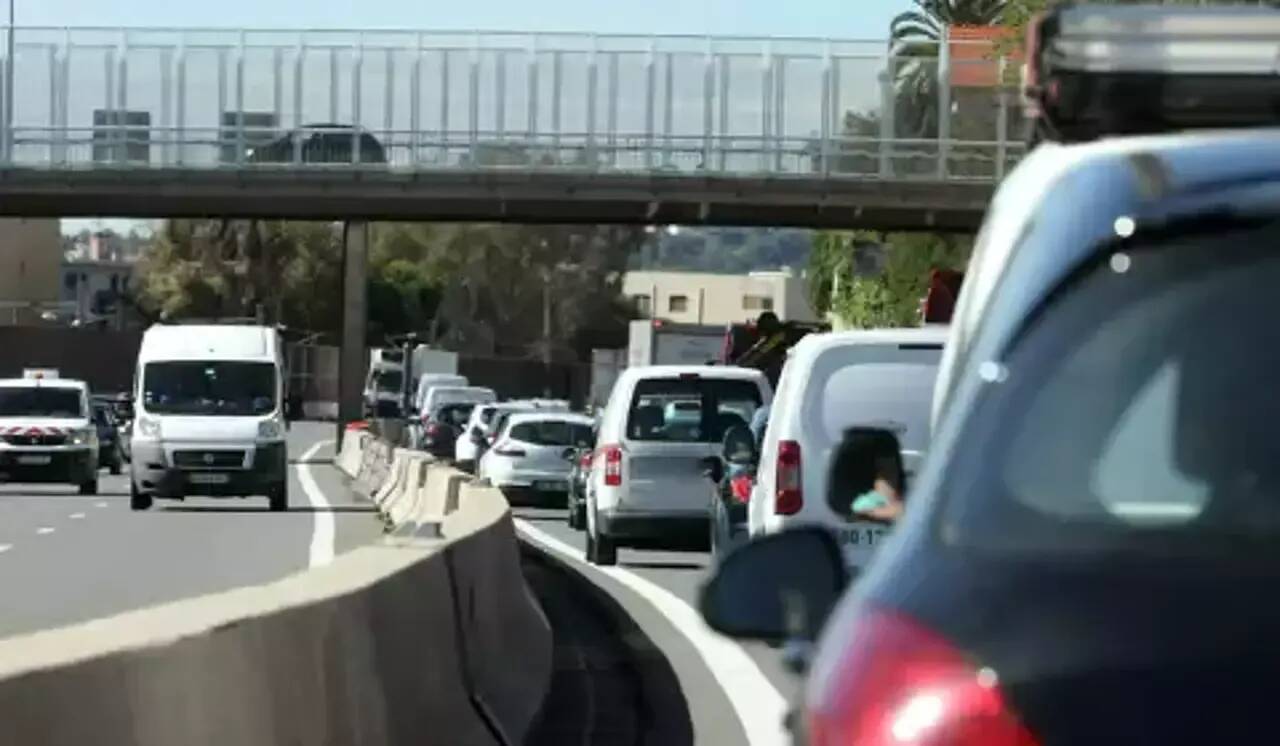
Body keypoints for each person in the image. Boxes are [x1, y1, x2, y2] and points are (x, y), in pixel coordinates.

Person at [850, 455, 904, 522]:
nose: (891, 476)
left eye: (894, 471)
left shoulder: (906, 496)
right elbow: (859, 509)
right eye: (884, 471)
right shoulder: (865, 502)